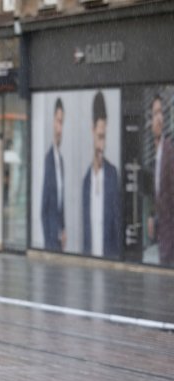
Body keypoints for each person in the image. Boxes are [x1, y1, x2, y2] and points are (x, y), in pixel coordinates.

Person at [82, 91, 121, 259]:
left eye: (104, 138)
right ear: (92, 130)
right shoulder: (86, 181)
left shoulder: (112, 174)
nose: (102, 145)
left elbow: (117, 224)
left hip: (109, 259)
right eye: (99, 137)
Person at [147, 94, 174, 266]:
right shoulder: (152, 157)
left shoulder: (170, 152)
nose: (158, 118)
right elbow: (155, 192)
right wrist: (152, 216)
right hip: (162, 236)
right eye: (154, 114)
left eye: (160, 113)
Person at [41, 98, 66, 252]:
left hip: (59, 237)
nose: (59, 128)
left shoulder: (60, 160)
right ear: (52, 122)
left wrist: (62, 229)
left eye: (62, 123)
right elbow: (44, 206)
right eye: (58, 122)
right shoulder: (48, 159)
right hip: (51, 239)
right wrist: (48, 239)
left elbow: (60, 202)